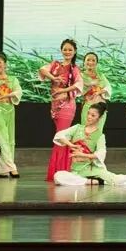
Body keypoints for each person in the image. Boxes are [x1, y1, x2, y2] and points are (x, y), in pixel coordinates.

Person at [52, 104, 126, 186]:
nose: (89, 117)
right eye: (88, 113)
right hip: (76, 170)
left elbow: (100, 154)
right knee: (58, 176)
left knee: (117, 180)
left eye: (93, 115)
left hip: (92, 169)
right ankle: (93, 181)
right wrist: (71, 145)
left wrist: (82, 155)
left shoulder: (100, 135)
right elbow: (59, 135)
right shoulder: (77, 128)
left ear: (99, 117)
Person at [39, 39, 84, 181]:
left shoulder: (74, 69)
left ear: (74, 52)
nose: (67, 52)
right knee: (60, 136)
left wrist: (63, 90)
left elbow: (78, 85)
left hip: (67, 105)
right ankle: (60, 171)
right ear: (61, 50)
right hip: (55, 105)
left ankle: (60, 171)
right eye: (65, 49)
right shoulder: (56, 65)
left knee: (61, 136)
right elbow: (42, 70)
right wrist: (54, 78)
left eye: (70, 50)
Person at [79, 52, 112, 131]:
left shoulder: (101, 75)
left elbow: (108, 88)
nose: (90, 62)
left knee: (98, 132)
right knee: (86, 131)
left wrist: (98, 92)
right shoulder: (80, 75)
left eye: (93, 60)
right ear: (84, 62)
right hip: (88, 107)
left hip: (101, 108)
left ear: (96, 63)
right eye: (88, 60)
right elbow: (79, 90)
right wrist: (90, 84)